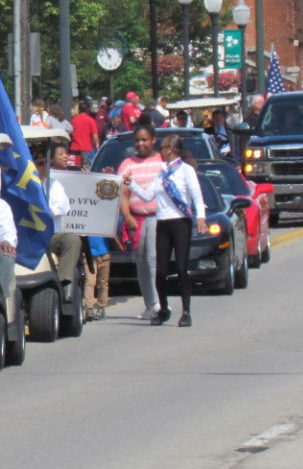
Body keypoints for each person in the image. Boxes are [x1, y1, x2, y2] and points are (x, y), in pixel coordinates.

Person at [124, 134, 208, 327]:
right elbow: (147, 196)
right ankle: (163, 309)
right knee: (160, 271)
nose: (160, 151)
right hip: (162, 222)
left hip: (180, 222)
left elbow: (196, 195)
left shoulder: (186, 171)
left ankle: (186, 311)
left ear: (172, 149)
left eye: (163, 147)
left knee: (180, 268)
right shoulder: (161, 173)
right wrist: (132, 184)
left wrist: (201, 216)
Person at [117, 121, 166, 320]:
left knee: (153, 258)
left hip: (157, 217)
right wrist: (127, 215)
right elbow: (122, 193)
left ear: (153, 140)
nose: (140, 143)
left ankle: (158, 302)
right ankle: (149, 303)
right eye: (137, 140)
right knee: (141, 261)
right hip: (136, 219)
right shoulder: (127, 165)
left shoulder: (162, 162)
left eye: (144, 140)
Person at [38, 144, 82, 299]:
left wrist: (43, 213)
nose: (43, 167)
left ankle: (65, 282)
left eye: (45, 163)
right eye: (39, 164)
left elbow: (63, 207)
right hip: (25, 236)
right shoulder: (21, 185)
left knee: (72, 239)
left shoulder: (54, 184)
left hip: (49, 235)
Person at [82, 234, 111, 321]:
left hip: (105, 252)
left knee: (102, 283)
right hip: (88, 254)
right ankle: (89, 308)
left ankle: (101, 308)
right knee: (90, 282)